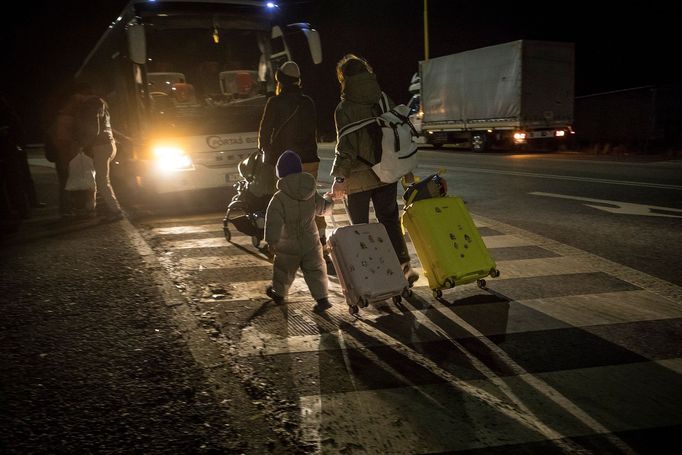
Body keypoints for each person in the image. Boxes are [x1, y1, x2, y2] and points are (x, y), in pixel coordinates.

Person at [330, 54, 419, 285]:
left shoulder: (344, 108)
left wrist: (339, 178)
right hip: (386, 172)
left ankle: (373, 273)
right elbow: (399, 133)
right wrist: (405, 168)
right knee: (389, 219)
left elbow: (346, 148)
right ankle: (403, 267)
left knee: (360, 228)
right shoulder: (383, 99)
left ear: (344, 79)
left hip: (358, 178)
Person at [257, 61, 334, 274]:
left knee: (284, 202)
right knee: (310, 198)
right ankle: (322, 243)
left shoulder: (274, 102)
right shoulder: (308, 102)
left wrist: (268, 157)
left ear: (280, 81)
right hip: (309, 160)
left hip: (285, 163)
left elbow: (264, 135)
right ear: (299, 81)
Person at [264, 150, 334, 313]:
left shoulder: (279, 198)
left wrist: (272, 242)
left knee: (283, 270)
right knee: (316, 269)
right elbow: (323, 209)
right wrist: (330, 199)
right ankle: (322, 299)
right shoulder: (310, 191)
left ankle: (279, 294)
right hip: (311, 240)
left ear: (280, 173)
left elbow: (274, 222)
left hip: (288, 243)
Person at [75, 91, 124, 221]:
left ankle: (116, 210)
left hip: (100, 146)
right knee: (97, 179)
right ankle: (91, 208)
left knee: (102, 180)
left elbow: (94, 130)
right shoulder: (102, 104)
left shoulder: (91, 105)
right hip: (109, 144)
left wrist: (83, 144)